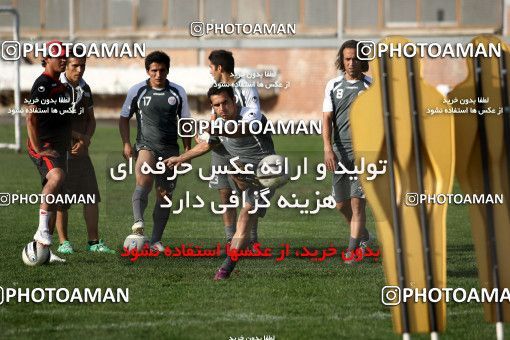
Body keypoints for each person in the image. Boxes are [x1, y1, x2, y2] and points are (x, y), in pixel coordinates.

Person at [165, 85, 275, 280]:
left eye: (225, 103)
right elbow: (208, 144)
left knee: (245, 214)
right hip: (246, 171)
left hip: (267, 171)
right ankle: (242, 187)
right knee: (237, 178)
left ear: (234, 101)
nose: (222, 108)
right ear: (212, 107)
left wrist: (213, 129)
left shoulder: (251, 116)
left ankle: (226, 267)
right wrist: (180, 158)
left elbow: (241, 130)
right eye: (217, 105)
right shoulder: (220, 122)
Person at [119, 51, 191, 251]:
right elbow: (124, 117)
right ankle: (138, 223)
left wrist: (186, 151)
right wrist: (126, 143)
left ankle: (156, 240)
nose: (158, 74)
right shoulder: (137, 90)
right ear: (147, 71)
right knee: (143, 180)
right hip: (145, 145)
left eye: (162, 70)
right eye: (154, 70)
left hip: (170, 149)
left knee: (164, 194)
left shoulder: (178, 92)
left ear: (168, 70)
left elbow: (185, 123)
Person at [54, 48, 115, 254]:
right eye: (75, 66)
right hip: (60, 152)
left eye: (83, 65)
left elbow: (91, 120)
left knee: (91, 197)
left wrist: (86, 140)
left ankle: (94, 242)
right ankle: (64, 243)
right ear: (65, 65)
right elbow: (54, 123)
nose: (79, 70)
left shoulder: (85, 88)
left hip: (81, 152)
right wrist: (80, 137)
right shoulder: (55, 88)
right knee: (62, 199)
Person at [322, 40, 371, 261]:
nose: (351, 63)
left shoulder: (373, 87)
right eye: (347, 59)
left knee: (357, 201)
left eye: (355, 58)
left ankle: (352, 251)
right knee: (341, 204)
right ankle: (362, 234)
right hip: (339, 153)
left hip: (365, 154)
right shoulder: (333, 86)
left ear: (363, 60)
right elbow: (327, 119)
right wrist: (327, 148)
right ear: (342, 61)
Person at [207, 50, 261, 245]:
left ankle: (251, 241)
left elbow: (254, 114)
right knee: (224, 191)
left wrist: (231, 131)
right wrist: (208, 135)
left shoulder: (245, 85)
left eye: (211, 68)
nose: (210, 72)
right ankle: (231, 239)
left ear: (219, 68)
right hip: (221, 146)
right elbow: (214, 116)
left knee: (248, 192)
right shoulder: (216, 88)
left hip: (242, 144)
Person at [26, 40, 71, 262]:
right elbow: (31, 116)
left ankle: (44, 250)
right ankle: (41, 233)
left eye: (65, 55)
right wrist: (37, 148)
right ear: (48, 59)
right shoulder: (43, 84)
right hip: (45, 146)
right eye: (59, 56)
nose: (64, 59)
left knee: (56, 196)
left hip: (59, 147)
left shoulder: (60, 85)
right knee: (57, 176)